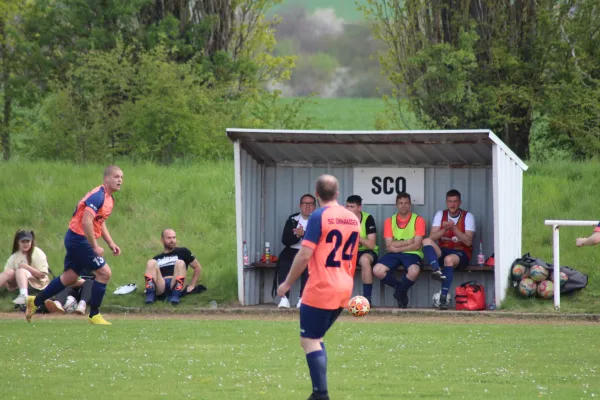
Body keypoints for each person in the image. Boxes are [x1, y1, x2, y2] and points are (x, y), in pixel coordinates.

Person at [277, 174, 360, 400]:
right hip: (344, 286)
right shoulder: (353, 218)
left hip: (322, 286)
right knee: (317, 337)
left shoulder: (318, 216)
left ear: (316, 194)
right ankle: (319, 393)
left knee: (310, 339)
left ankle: (320, 394)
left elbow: (304, 254)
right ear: (338, 193)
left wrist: (287, 283)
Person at [25, 165, 123, 325]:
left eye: (121, 177)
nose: (120, 180)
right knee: (104, 273)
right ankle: (94, 314)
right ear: (106, 179)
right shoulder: (98, 196)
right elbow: (86, 221)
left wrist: (111, 243)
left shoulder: (109, 199)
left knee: (69, 277)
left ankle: (35, 302)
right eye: (116, 177)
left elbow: (99, 221)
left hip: (76, 238)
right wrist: (94, 246)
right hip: (79, 239)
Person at [421, 189, 475, 310]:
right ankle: (436, 271)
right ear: (446, 202)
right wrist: (445, 229)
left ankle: (443, 298)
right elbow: (432, 237)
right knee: (426, 241)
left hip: (461, 253)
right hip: (443, 250)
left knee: (448, 259)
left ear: (460, 202)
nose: (452, 204)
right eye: (450, 201)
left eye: (455, 201)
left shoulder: (468, 216)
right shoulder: (441, 214)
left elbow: (468, 241)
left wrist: (454, 228)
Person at [372, 192, 425, 309]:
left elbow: (416, 245)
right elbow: (389, 244)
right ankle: (400, 289)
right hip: (394, 254)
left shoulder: (418, 220)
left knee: (414, 271)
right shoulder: (389, 221)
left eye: (406, 203)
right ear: (396, 205)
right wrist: (408, 241)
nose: (403, 205)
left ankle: (399, 292)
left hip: (412, 253)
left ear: (410, 204)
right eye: (400, 203)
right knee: (377, 270)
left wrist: (397, 248)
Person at [275, 194, 316, 309]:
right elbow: (285, 240)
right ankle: (284, 298)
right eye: (304, 204)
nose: (307, 207)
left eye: (310, 204)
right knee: (284, 262)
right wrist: (297, 236)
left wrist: (304, 234)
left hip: (311, 251)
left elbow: (321, 240)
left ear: (315, 206)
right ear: (300, 205)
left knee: (308, 265)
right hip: (293, 250)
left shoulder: (318, 220)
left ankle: (303, 298)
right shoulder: (293, 220)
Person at [144, 229, 203, 305]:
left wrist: (192, 285)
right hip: (162, 284)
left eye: (174, 237)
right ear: (162, 240)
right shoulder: (157, 258)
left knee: (180, 262)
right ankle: (150, 294)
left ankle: (176, 295)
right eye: (169, 238)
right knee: (151, 262)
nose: (172, 240)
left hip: (176, 281)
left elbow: (197, 267)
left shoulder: (183, 251)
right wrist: (149, 286)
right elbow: (152, 274)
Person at [0, 230, 50, 305]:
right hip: (18, 283)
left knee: (20, 271)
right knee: (9, 271)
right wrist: (9, 286)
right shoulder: (15, 256)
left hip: (37, 282)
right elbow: (6, 274)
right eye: (23, 242)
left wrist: (26, 267)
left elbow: (42, 275)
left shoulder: (37, 252)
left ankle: (24, 295)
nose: (25, 244)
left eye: (28, 241)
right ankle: (22, 293)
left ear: (31, 242)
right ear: (18, 242)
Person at [345, 195, 378, 306]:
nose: (348, 209)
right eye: (347, 206)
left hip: (366, 252)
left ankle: (367, 299)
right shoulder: (343, 220)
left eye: (351, 206)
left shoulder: (368, 218)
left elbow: (371, 245)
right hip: (349, 251)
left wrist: (356, 237)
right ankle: (340, 298)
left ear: (359, 208)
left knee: (365, 260)